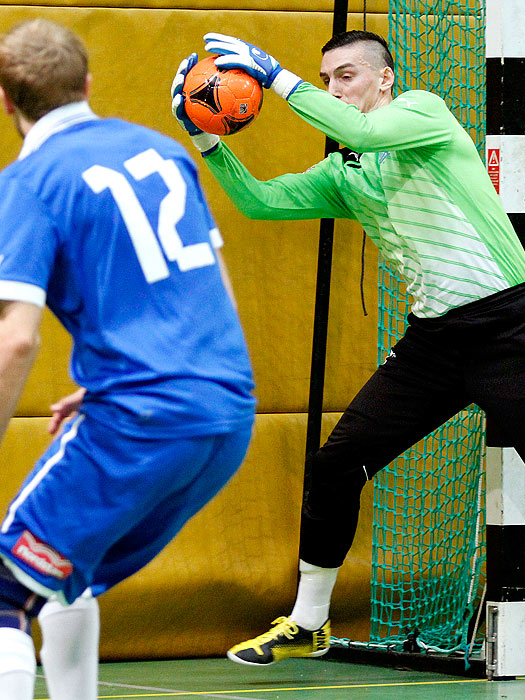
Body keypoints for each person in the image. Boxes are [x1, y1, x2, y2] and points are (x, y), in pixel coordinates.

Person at [171, 30, 525, 667]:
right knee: (335, 467)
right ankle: (309, 622)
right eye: (326, 80)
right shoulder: (346, 171)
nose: (335, 88)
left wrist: (273, 76)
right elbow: (259, 201)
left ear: (385, 80)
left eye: (347, 76)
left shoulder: (422, 114)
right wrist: (205, 137)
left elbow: (369, 133)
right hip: (433, 343)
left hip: (506, 332)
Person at [0, 19, 256, 698]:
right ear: (88, 84)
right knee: (63, 570)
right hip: (227, 413)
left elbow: (16, 337)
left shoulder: (28, 182)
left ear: (6, 102)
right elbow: (214, 292)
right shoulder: (163, 152)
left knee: (4, 590)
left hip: (142, 419)